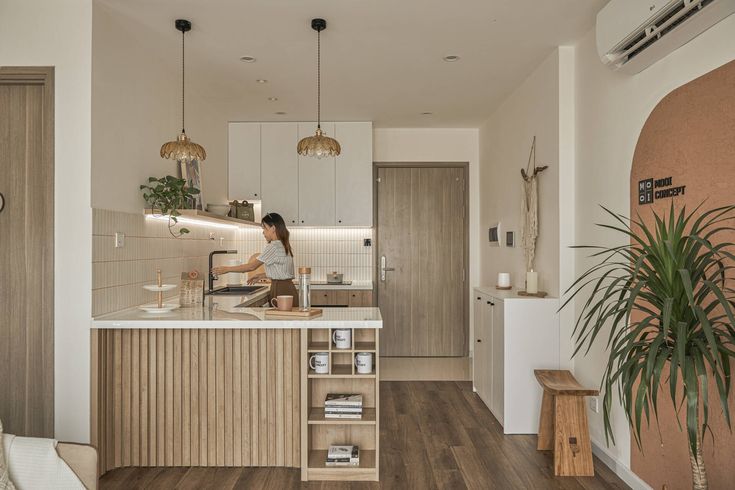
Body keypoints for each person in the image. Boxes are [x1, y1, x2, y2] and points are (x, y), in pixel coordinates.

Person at [210, 212, 298, 306]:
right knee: (287, 319)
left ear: (273, 228)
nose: (263, 232)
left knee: (281, 320)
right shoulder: (282, 244)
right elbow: (282, 271)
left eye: (264, 228)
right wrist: (262, 275)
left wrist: (227, 269)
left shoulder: (274, 246)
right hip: (287, 289)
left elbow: (251, 267)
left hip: (280, 290)